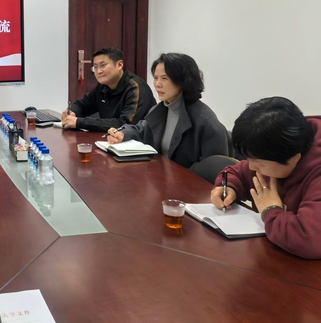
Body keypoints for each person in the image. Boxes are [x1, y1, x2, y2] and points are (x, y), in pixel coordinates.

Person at [210, 97, 321, 259]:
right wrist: (228, 187)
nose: (251, 167)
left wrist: (270, 210)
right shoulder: (272, 153)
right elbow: (235, 173)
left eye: (258, 163)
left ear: (294, 158)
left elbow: (309, 241)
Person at [107, 53, 228, 170]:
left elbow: (213, 169)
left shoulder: (206, 122)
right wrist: (122, 134)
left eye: (164, 78)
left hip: (186, 182)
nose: (157, 84)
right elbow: (141, 130)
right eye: (156, 78)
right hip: (160, 177)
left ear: (183, 81)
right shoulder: (161, 108)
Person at [62, 47, 156, 132]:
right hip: (111, 139)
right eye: (95, 67)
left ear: (119, 65)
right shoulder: (103, 86)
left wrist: (79, 122)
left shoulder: (136, 88)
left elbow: (125, 124)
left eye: (103, 65)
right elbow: (83, 105)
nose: (98, 71)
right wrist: (71, 112)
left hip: (139, 143)